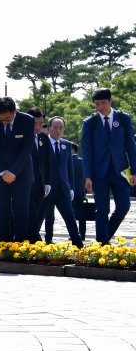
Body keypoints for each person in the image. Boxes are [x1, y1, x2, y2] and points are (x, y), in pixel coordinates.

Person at [81, 88, 136, 243]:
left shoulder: (124, 118)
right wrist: (87, 176)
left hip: (122, 170)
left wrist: (134, 171)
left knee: (124, 206)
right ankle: (101, 243)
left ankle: (104, 236)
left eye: (103, 103)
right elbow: (87, 152)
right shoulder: (89, 123)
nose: (100, 107)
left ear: (110, 101)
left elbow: (131, 147)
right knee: (102, 209)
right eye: (97, 104)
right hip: (99, 173)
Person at [0, 97, 35, 242]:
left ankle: (20, 245)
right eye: (1, 119)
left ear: (15, 111)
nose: (4, 122)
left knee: (21, 211)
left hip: (22, 172)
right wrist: (2, 171)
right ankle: (3, 244)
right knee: (2, 211)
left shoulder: (27, 120)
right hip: (0, 173)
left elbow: (27, 148)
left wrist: (13, 172)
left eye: (7, 118)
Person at [37, 117, 84, 248]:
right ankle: (31, 242)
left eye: (61, 128)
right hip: (47, 188)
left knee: (70, 217)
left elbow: (69, 168)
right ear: (49, 128)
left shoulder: (66, 144)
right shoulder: (43, 143)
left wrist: (71, 187)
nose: (58, 131)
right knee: (39, 218)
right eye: (55, 127)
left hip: (63, 188)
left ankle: (78, 244)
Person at [26, 107, 51, 242]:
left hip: (40, 185)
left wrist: (47, 182)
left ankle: (30, 240)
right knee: (31, 214)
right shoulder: (21, 137)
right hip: (25, 184)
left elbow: (47, 162)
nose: (38, 126)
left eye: (41, 123)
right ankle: (35, 241)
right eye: (35, 123)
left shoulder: (43, 139)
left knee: (37, 214)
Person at [70, 143, 87, 241]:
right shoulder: (82, 161)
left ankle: (74, 234)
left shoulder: (68, 161)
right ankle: (82, 234)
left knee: (71, 215)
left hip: (70, 191)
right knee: (81, 215)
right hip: (80, 191)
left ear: (72, 149)